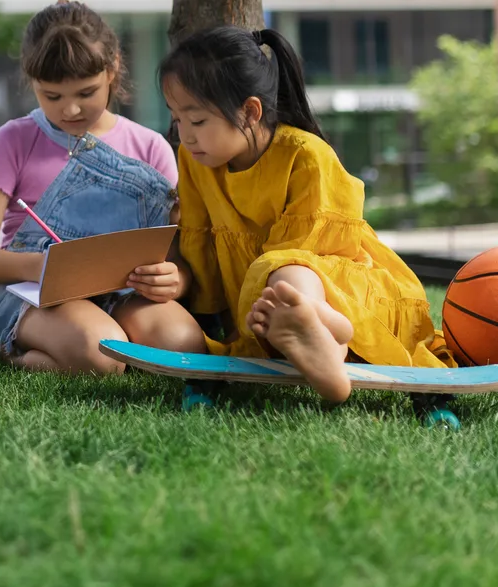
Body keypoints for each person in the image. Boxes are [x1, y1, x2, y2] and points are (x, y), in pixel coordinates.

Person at [159, 25, 453, 403]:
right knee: (278, 293)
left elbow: (314, 253)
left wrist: (271, 300)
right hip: (268, 310)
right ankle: (320, 336)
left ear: (250, 111)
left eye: (197, 121)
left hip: (340, 289)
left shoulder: (306, 155)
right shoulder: (195, 160)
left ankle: (326, 332)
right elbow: (199, 243)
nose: (185, 136)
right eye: (177, 120)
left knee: (287, 272)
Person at [0, 1, 202, 372]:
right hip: (37, 296)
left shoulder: (150, 146)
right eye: (52, 96)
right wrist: (45, 267)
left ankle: (85, 345)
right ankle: (18, 353)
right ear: (32, 81)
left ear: (112, 68)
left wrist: (176, 280)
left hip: (125, 293)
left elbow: (175, 254)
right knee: (104, 355)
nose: (70, 110)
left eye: (86, 93)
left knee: (184, 346)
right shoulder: (15, 140)